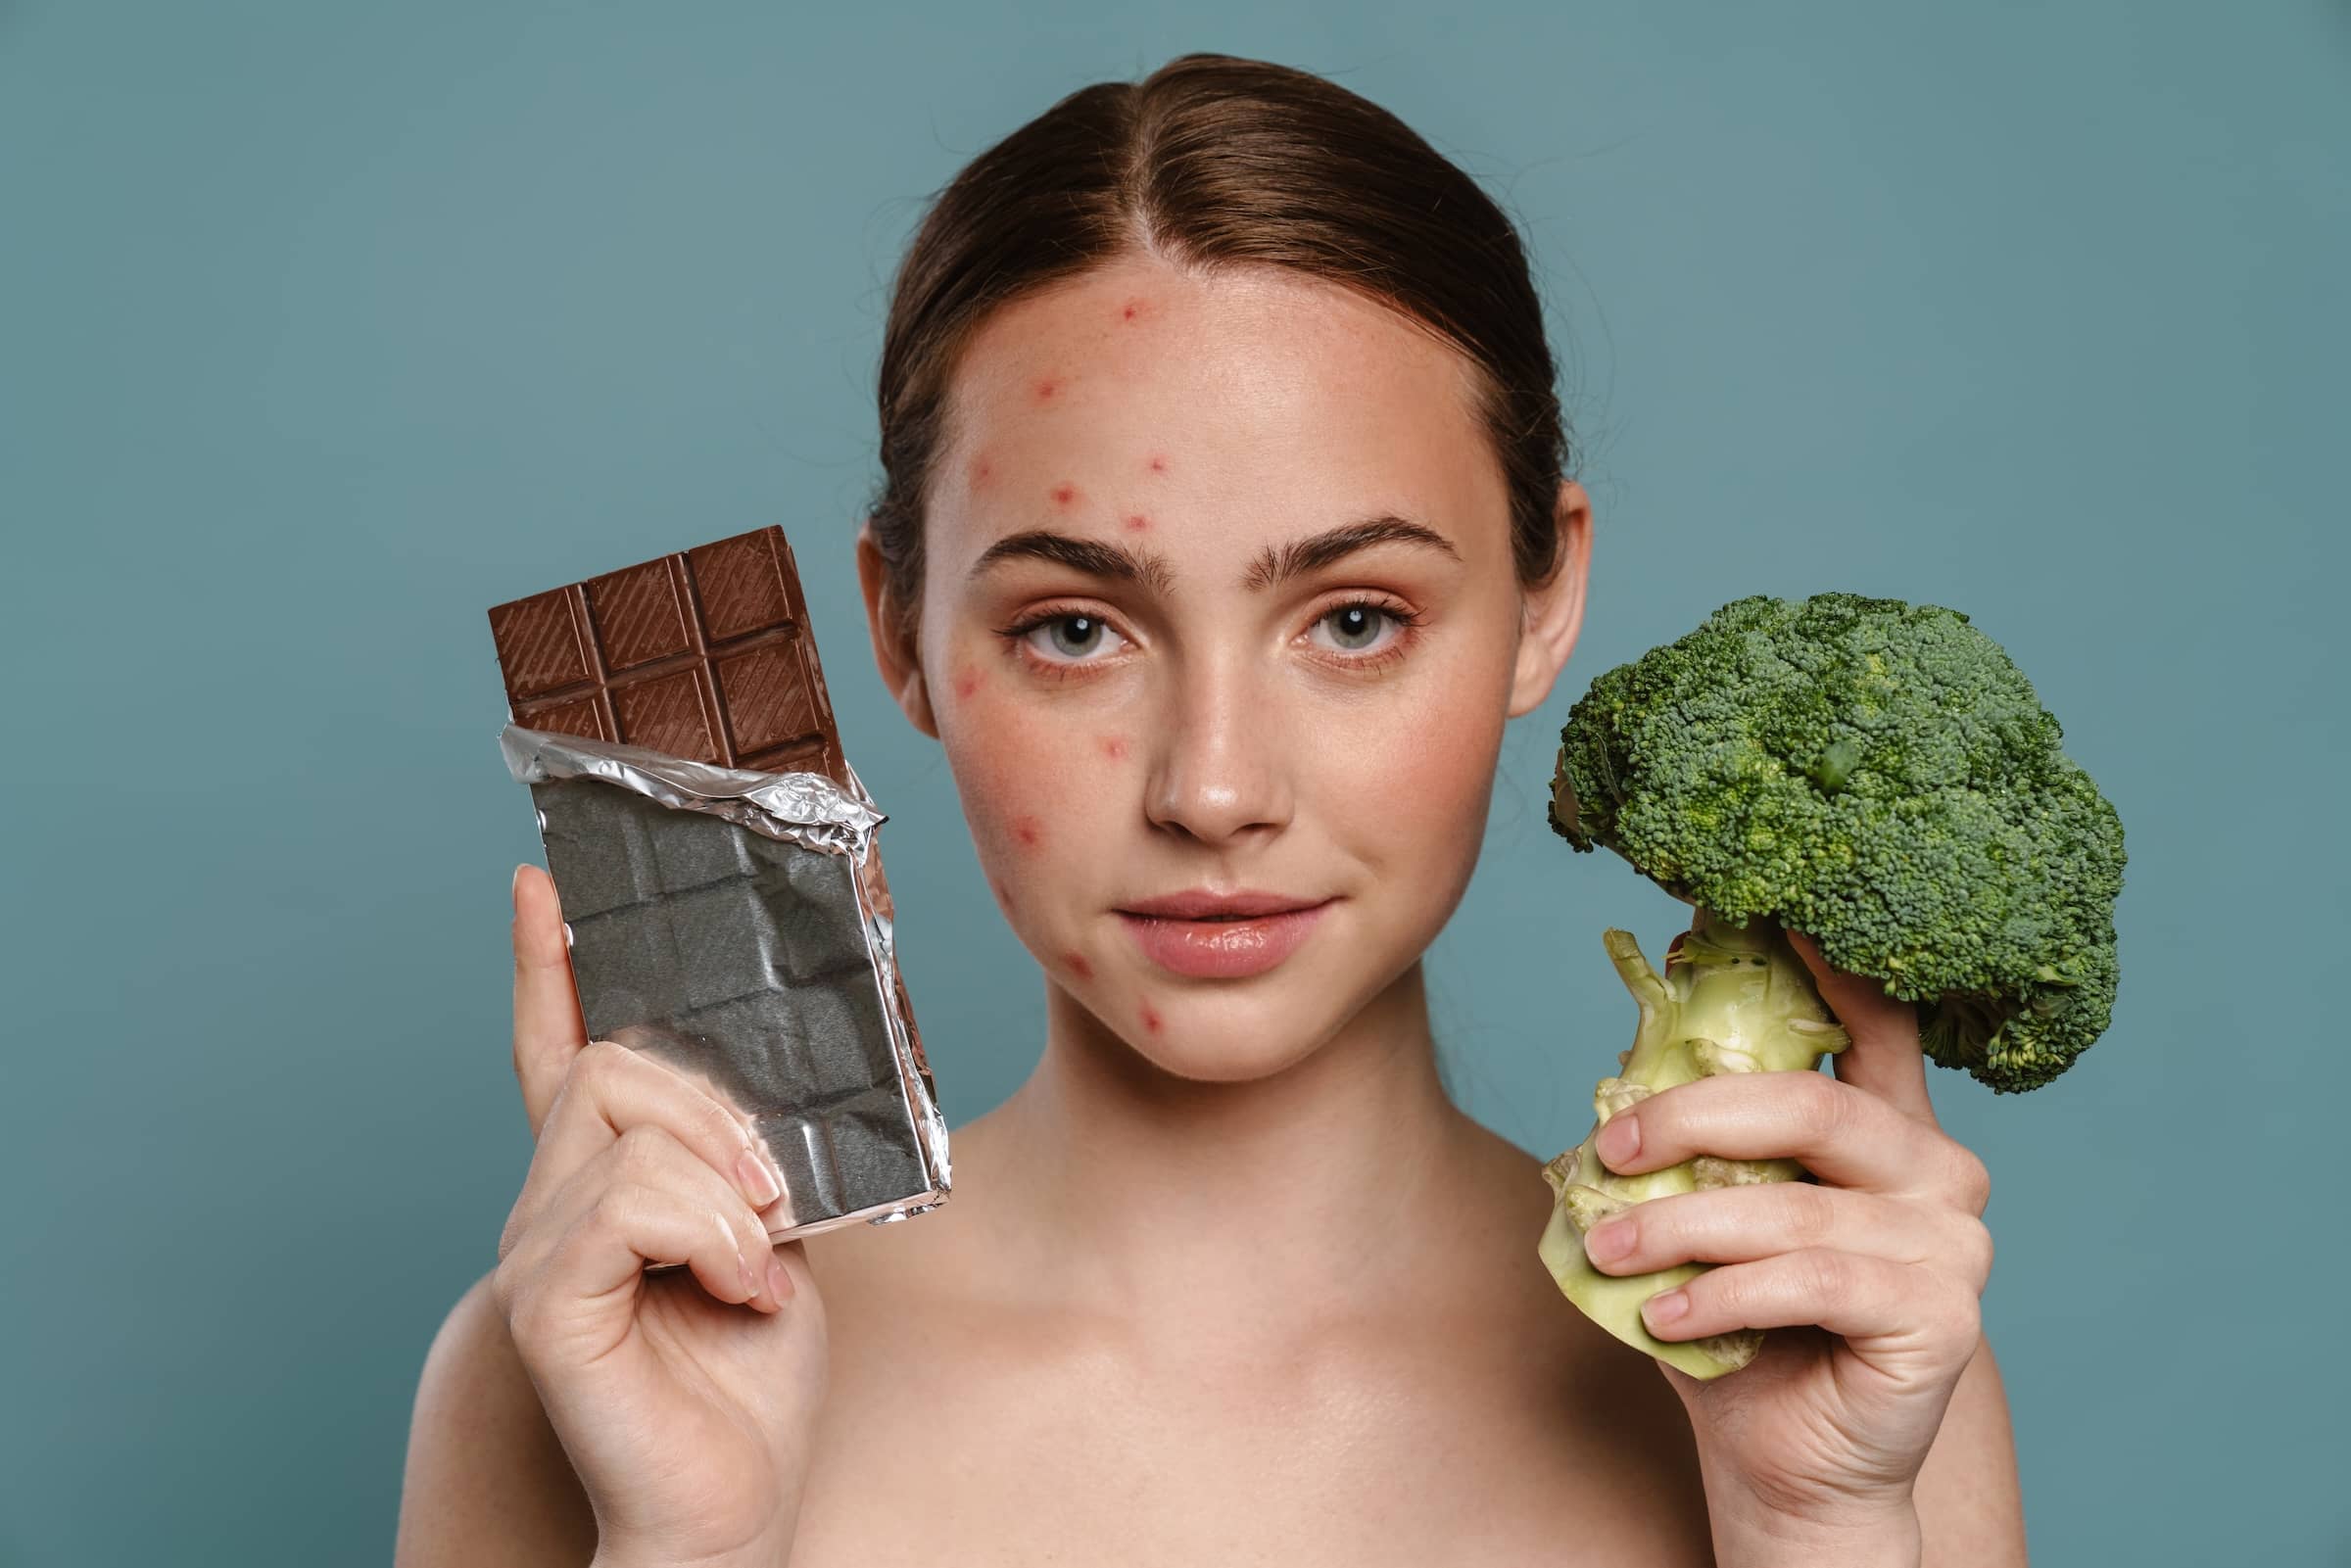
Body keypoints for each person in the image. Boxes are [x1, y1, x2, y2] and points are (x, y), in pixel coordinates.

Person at [396, 52, 2024, 1567]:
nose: (1216, 789)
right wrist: (690, 1547)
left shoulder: (1843, 1360)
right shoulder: (582, 1364)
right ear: (902, 628)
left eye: (1356, 619)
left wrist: (1816, 1524)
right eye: (1075, 630)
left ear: (1544, 596)